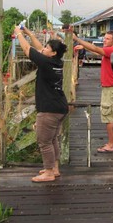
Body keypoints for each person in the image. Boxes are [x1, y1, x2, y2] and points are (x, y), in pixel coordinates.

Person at [14, 26, 69, 183]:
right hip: (60, 107)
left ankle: (49, 173)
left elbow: (27, 49)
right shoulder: (57, 62)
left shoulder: (46, 62)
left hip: (49, 109)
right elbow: (39, 48)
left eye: (47, 48)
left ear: (52, 53)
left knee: (44, 141)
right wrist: (30, 33)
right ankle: (54, 168)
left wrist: (18, 33)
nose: (44, 49)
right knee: (52, 140)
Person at [72, 31, 113, 152]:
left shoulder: (112, 50)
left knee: (107, 117)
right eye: (104, 38)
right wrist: (84, 46)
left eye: (108, 39)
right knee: (112, 116)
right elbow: (97, 51)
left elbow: (95, 48)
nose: (105, 40)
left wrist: (77, 39)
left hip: (110, 89)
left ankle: (110, 145)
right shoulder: (110, 52)